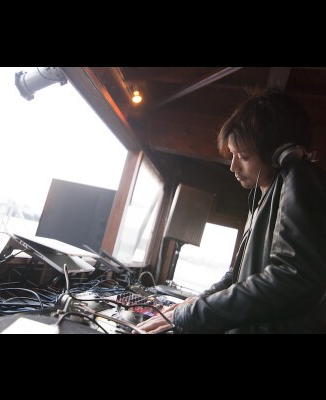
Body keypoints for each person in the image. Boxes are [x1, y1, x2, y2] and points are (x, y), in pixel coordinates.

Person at [135, 88, 326, 334]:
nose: (233, 166)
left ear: (278, 154)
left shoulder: (300, 177)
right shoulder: (264, 197)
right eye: (233, 155)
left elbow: (292, 278)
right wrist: (195, 304)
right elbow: (237, 276)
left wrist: (191, 315)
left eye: (243, 156)